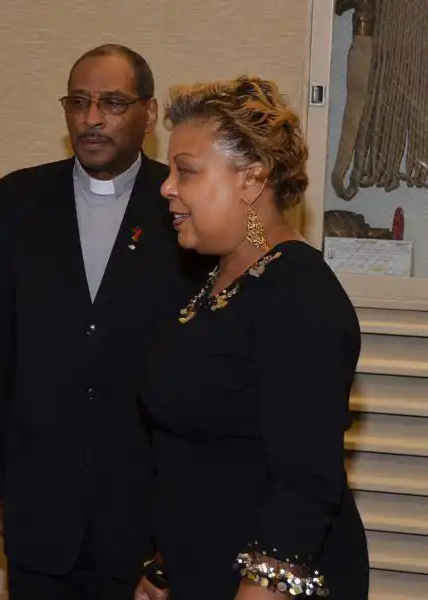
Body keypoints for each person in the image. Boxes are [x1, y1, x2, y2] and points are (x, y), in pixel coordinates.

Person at [0, 44, 198, 599]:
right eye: (78, 102)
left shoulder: (184, 205)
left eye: (113, 103)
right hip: (40, 501)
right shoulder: (13, 201)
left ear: (149, 113)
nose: (92, 119)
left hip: (147, 509)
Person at [135, 75, 369, 600]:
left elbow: (305, 484)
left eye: (185, 171)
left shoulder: (300, 295)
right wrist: (165, 566)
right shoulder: (223, 276)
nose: (166, 187)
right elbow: (205, 454)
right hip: (201, 569)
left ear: (251, 179)